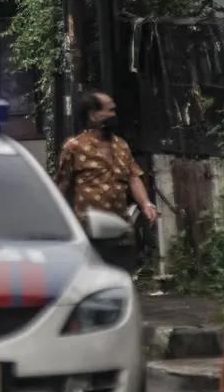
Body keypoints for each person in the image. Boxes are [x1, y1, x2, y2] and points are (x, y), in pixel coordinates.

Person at [55, 89, 157, 269]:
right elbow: (62, 184)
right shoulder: (74, 147)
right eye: (109, 110)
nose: (114, 115)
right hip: (89, 232)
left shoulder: (121, 145)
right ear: (93, 116)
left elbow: (133, 177)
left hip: (121, 230)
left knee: (122, 277)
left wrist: (146, 203)